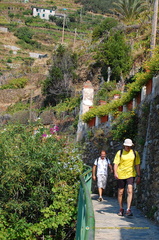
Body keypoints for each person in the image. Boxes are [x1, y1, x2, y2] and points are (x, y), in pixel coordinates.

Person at [113, 138, 141, 216]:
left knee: (130, 190)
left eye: (129, 146)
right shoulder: (120, 153)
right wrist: (115, 173)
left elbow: (137, 165)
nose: (127, 147)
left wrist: (139, 175)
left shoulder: (135, 153)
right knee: (121, 192)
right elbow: (116, 163)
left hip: (131, 174)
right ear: (124, 145)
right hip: (121, 174)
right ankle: (121, 208)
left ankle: (128, 209)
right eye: (126, 146)